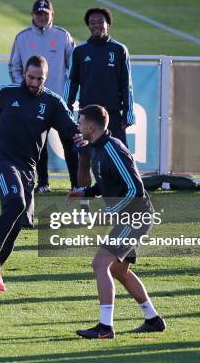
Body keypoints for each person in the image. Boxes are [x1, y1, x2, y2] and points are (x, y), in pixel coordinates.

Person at [0, 55, 83, 295]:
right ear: (24, 74)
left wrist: (81, 136)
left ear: (45, 78)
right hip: (2, 162)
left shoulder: (52, 102)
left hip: (28, 170)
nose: (33, 82)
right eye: (30, 77)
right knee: (15, 203)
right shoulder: (8, 93)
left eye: (39, 78)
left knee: (19, 222)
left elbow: (70, 129)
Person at [67, 105, 166, 339]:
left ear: (91, 127)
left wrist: (110, 212)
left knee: (100, 264)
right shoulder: (97, 149)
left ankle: (105, 328)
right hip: (129, 216)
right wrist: (86, 193)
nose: (78, 126)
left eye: (80, 122)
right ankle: (153, 319)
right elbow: (106, 183)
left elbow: (135, 189)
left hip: (136, 216)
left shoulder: (112, 149)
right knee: (119, 270)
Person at [9, 0, 78, 194]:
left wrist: (67, 96)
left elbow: (73, 69)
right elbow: (14, 66)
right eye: (38, 14)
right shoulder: (22, 38)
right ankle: (43, 183)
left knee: (70, 142)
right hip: (33, 100)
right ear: (32, 15)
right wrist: (23, 90)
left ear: (52, 15)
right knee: (38, 144)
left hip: (59, 101)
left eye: (45, 13)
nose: (41, 17)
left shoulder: (63, 36)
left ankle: (76, 184)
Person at [66, 7, 135, 195]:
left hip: (112, 116)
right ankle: (84, 205)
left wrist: (127, 114)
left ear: (108, 24)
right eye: (92, 22)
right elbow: (72, 81)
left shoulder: (119, 50)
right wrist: (67, 107)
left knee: (121, 159)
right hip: (87, 118)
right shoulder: (80, 51)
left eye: (100, 21)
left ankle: (126, 199)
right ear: (88, 25)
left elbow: (126, 85)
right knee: (84, 160)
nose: (96, 25)